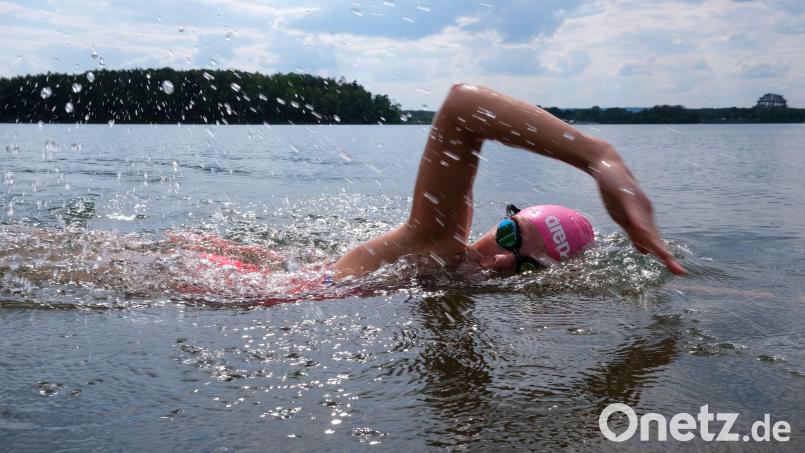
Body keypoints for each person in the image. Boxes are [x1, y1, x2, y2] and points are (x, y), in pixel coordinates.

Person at [332, 83, 685, 278]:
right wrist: (598, 157)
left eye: (529, 265)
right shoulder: (436, 247)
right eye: (508, 236)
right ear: (499, 224)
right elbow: (463, 107)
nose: (501, 260)